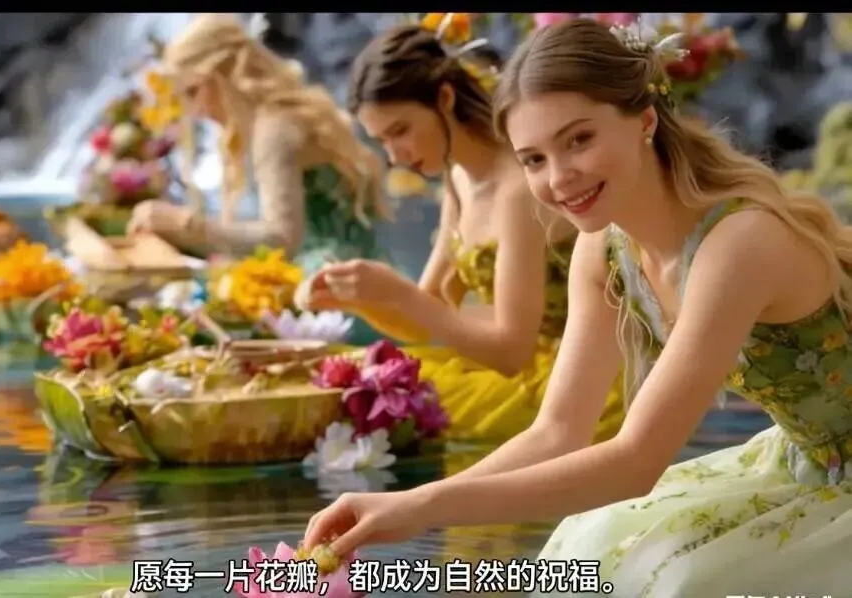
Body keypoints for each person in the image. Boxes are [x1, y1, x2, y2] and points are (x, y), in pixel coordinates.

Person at [302, 19, 852, 597]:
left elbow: (636, 462)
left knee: (679, 580)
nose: (560, 178)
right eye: (533, 159)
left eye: (579, 140)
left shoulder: (739, 243)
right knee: (587, 546)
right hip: (807, 463)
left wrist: (427, 507)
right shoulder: (605, 248)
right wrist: (411, 501)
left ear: (645, 121)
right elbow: (558, 431)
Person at [302, 17, 625, 444]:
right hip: (518, 371)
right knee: (347, 373)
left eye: (400, 131)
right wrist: (361, 297)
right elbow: (430, 311)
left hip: (574, 377)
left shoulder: (518, 189)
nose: (395, 157)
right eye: (381, 141)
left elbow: (511, 352)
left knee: (375, 396)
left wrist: (398, 293)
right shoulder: (459, 178)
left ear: (445, 98)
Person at [123, 15, 400, 344]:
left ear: (223, 76)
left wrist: (185, 225)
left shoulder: (273, 130)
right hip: (358, 284)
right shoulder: (262, 124)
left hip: (334, 300)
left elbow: (282, 238)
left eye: (194, 91)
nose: (195, 111)